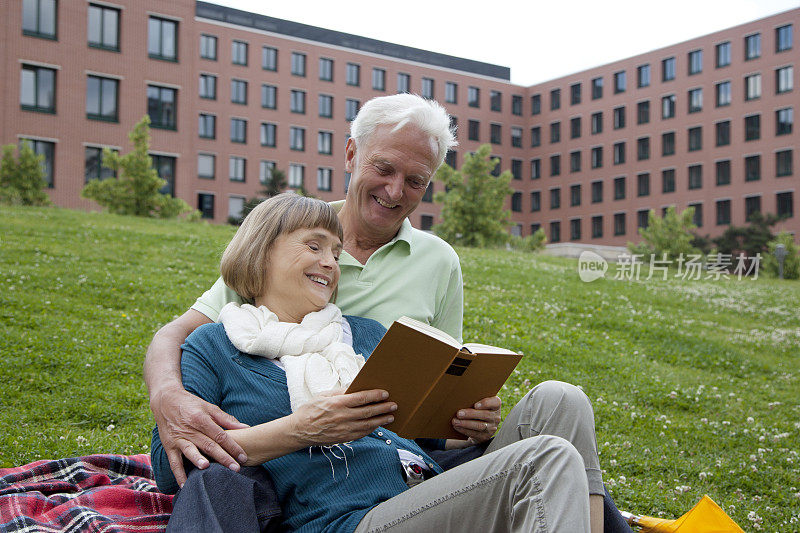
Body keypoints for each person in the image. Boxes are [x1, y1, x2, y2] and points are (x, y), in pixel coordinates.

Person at [145, 94, 624, 532]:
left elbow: (420, 423)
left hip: (421, 480)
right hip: (351, 516)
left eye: (416, 181)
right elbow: (175, 464)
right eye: (315, 247)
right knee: (544, 460)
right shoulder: (220, 343)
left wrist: (463, 422)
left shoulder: (365, 332)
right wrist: (172, 396)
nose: (331, 262)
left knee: (563, 400)